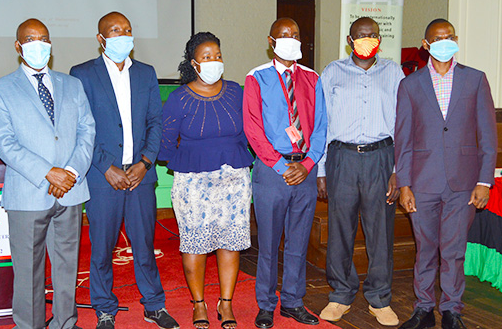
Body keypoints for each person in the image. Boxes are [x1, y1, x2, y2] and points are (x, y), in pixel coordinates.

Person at [70, 12, 179, 329]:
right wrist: (106, 167)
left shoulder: (145, 73)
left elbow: (155, 123)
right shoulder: (83, 74)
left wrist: (145, 163)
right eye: (115, 31)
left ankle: (154, 306)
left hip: (141, 176)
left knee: (145, 245)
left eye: (127, 30)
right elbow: (81, 128)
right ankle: (104, 308)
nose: (123, 36)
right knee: (102, 249)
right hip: (104, 177)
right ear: (101, 39)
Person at [0, 18, 95, 329]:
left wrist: (71, 171)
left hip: (71, 190)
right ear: (19, 47)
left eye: (44, 38)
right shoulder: (1, 89)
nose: (39, 44)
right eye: (30, 39)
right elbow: (5, 142)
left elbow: (87, 130)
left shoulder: (72, 85)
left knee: (66, 268)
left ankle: (66, 323)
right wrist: (49, 173)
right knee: (28, 274)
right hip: (28, 192)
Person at [395, 19, 496, 329]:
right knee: (425, 250)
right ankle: (423, 307)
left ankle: (452, 310)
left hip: (463, 184)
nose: (444, 41)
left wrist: (484, 180)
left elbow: (488, 135)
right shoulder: (410, 84)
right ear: (426, 45)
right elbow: (403, 137)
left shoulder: (475, 80)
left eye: (449, 36)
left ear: (455, 39)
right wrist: (404, 184)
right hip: (422, 183)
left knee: (453, 251)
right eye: (437, 38)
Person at [158, 32, 254, 329]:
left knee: (231, 243)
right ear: (194, 63)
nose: (214, 61)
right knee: (195, 245)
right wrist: (194, 156)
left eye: (218, 55)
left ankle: (226, 303)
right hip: (193, 184)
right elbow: (165, 143)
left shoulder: (237, 91)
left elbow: (248, 131)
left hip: (234, 180)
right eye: (207, 57)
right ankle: (198, 304)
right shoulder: (178, 98)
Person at [316, 17, 403, 327]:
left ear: (379, 39)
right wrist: (321, 170)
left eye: (373, 35)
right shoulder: (332, 72)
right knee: (340, 230)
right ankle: (340, 294)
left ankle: (379, 298)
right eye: (361, 35)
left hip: (381, 157)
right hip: (342, 157)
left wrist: (398, 169)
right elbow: (321, 123)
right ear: (350, 41)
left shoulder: (393, 71)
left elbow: (403, 122)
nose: (367, 39)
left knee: (380, 232)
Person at [244, 18, 327, 328]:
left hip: (304, 170)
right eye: (283, 35)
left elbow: (320, 127)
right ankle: (265, 304)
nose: (290, 39)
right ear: (271, 41)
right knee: (268, 243)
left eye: (295, 34)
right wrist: (281, 166)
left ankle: (293, 301)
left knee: (298, 241)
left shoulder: (312, 78)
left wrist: (307, 166)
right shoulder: (257, 78)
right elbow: (253, 130)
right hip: (271, 171)